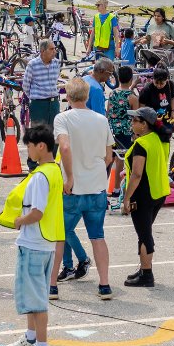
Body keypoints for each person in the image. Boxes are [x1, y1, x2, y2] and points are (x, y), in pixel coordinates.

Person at [0, 123, 64, 346]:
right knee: (32, 294)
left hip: (34, 241)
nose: (27, 150)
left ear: (41, 146)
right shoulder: (54, 170)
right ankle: (31, 336)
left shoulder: (39, 177)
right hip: (46, 241)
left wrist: (18, 221)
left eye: (28, 145)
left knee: (36, 298)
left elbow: (36, 212)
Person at [53, 77, 114, 299]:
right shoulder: (101, 120)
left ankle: (52, 286)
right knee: (97, 236)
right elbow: (108, 156)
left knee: (59, 235)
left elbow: (65, 147)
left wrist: (69, 177)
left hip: (73, 188)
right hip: (97, 186)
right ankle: (104, 284)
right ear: (87, 96)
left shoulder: (63, 118)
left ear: (68, 97)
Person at [121, 107, 171, 287]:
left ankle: (147, 275)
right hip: (158, 192)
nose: (132, 123)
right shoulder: (159, 139)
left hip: (143, 194)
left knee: (144, 234)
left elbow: (136, 174)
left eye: (135, 120)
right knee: (144, 231)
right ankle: (144, 268)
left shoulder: (142, 145)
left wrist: (126, 198)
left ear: (144, 125)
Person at [107, 66, 138, 208]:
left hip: (112, 130)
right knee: (123, 160)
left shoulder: (113, 94)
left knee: (109, 159)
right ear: (131, 78)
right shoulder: (132, 97)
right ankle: (118, 189)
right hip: (126, 132)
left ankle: (108, 187)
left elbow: (108, 112)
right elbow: (136, 118)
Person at [22, 39, 62, 127]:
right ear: (42, 51)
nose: (54, 52)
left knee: (54, 134)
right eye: (51, 49)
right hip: (39, 105)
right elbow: (25, 86)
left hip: (54, 103)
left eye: (54, 49)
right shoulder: (32, 65)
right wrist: (35, 97)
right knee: (38, 135)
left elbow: (56, 81)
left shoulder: (56, 63)